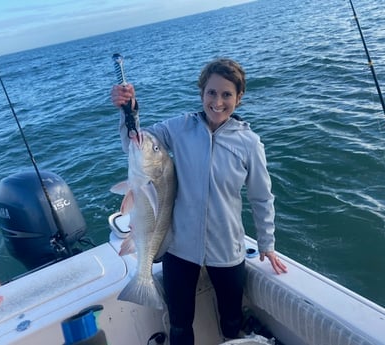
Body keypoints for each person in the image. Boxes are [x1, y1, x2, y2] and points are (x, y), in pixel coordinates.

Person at [111, 58, 287, 344]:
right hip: (179, 249)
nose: (218, 102)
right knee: (180, 325)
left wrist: (267, 244)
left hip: (227, 249)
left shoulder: (249, 143)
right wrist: (128, 111)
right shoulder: (181, 127)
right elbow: (139, 142)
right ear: (202, 94)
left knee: (231, 320)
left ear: (239, 98)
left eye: (227, 94)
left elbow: (261, 198)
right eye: (211, 93)